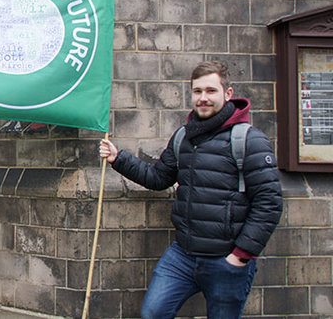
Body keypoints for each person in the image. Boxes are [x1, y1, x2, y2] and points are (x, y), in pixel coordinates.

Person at [98, 60, 283, 319]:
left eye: (210, 91)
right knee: (153, 313)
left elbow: (269, 203)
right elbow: (158, 177)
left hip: (226, 260)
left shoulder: (249, 140)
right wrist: (119, 158)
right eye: (197, 91)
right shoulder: (183, 136)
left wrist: (240, 256)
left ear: (227, 94)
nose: (203, 98)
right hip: (183, 256)